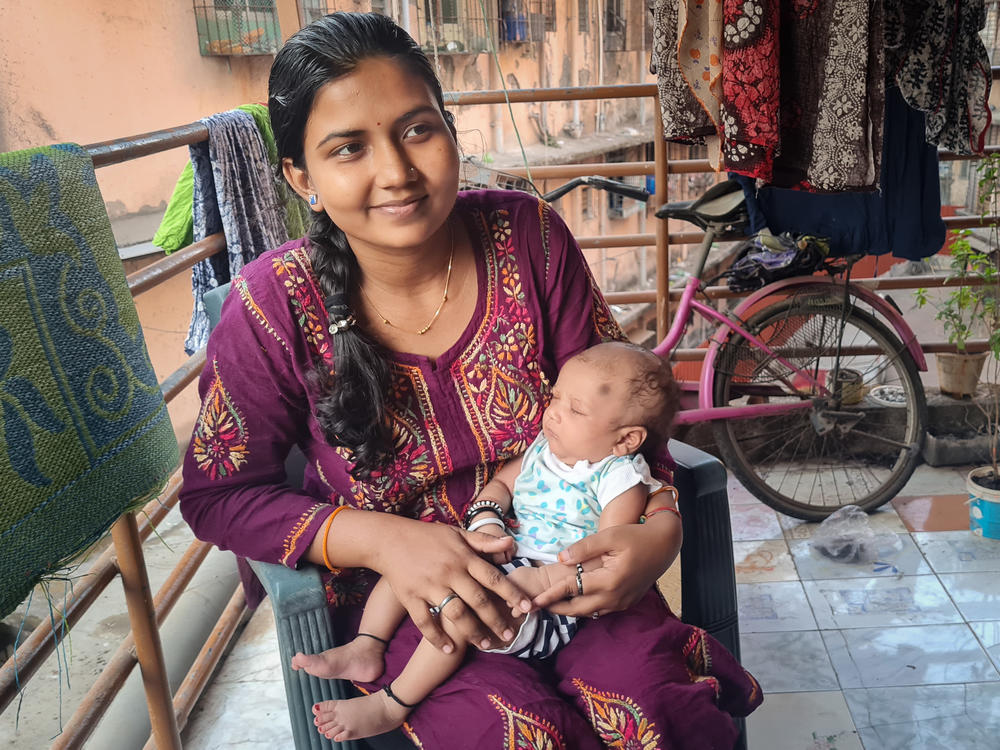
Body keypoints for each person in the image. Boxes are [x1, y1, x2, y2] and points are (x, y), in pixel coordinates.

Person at [179, 11, 761, 749]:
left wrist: (659, 529)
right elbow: (218, 495)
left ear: (451, 132)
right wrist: (386, 542)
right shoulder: (271, 308)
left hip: (563, 566)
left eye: (418, 130)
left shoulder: (531, 239)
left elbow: (625, 413)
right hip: (410, 612)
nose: (396, 171)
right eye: (349, 148)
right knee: (519, 736)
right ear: (303, 177)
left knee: (658, 710)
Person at [290, 342, 681, 740]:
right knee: (410, 566)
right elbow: (499, 486)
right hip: (504, 552)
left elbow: (604, 555)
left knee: (458, 614)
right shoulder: (545, 449)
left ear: (626, 440)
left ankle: (393, 702)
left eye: (575, 410)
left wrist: (545, 581)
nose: (554, 414)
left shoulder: (618, 477)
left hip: (548, 598)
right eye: (556, 397)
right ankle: (367, 646)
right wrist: (487, 520)